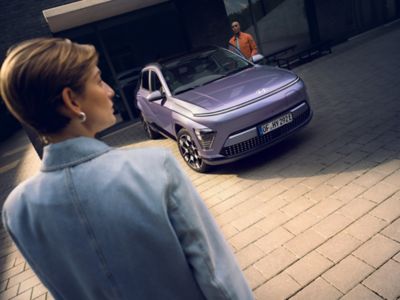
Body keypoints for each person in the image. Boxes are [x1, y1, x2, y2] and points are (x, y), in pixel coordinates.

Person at [0, 38, 253, 300]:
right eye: (98, 80)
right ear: (72, 102)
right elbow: (217, 277)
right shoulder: (156, 168)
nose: (110, 90)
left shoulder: (18, 211)